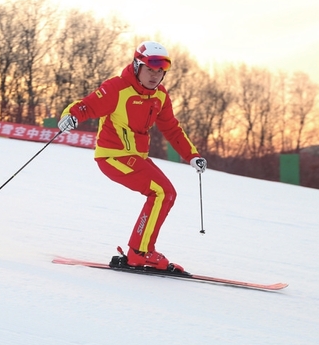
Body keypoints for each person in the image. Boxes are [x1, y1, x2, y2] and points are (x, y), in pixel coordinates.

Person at [58, 41, 207, 271]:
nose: (154, 76)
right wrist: (71, 115)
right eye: (149, 69)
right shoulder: (117, 88)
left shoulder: (160, 96)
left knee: (165, 193)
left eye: (160, 72)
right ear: (137, 65)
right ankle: (140, 253)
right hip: (113, 157)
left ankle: (141, 251)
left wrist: (192, 156)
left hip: (136, 157)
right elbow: (87, 105)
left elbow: (172, 129)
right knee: (162, 192)